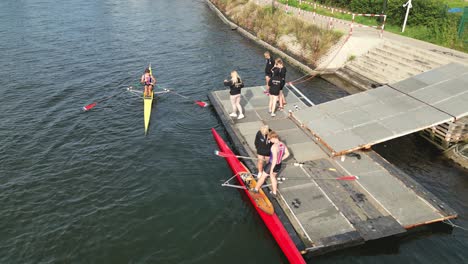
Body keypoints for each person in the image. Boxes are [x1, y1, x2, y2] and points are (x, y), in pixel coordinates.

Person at [253, 131, 290, 197]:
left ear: (273, 138)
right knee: (273, 178)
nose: (270, 140)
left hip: (272, 164)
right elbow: (287, 154)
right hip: (279, 164)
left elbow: (275, 159)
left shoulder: (274, 147)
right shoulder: (282, 144)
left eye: (270, 139)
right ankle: (274, 192)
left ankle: (255, 189)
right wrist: (280, 159)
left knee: (263, 176)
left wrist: (271, 169)